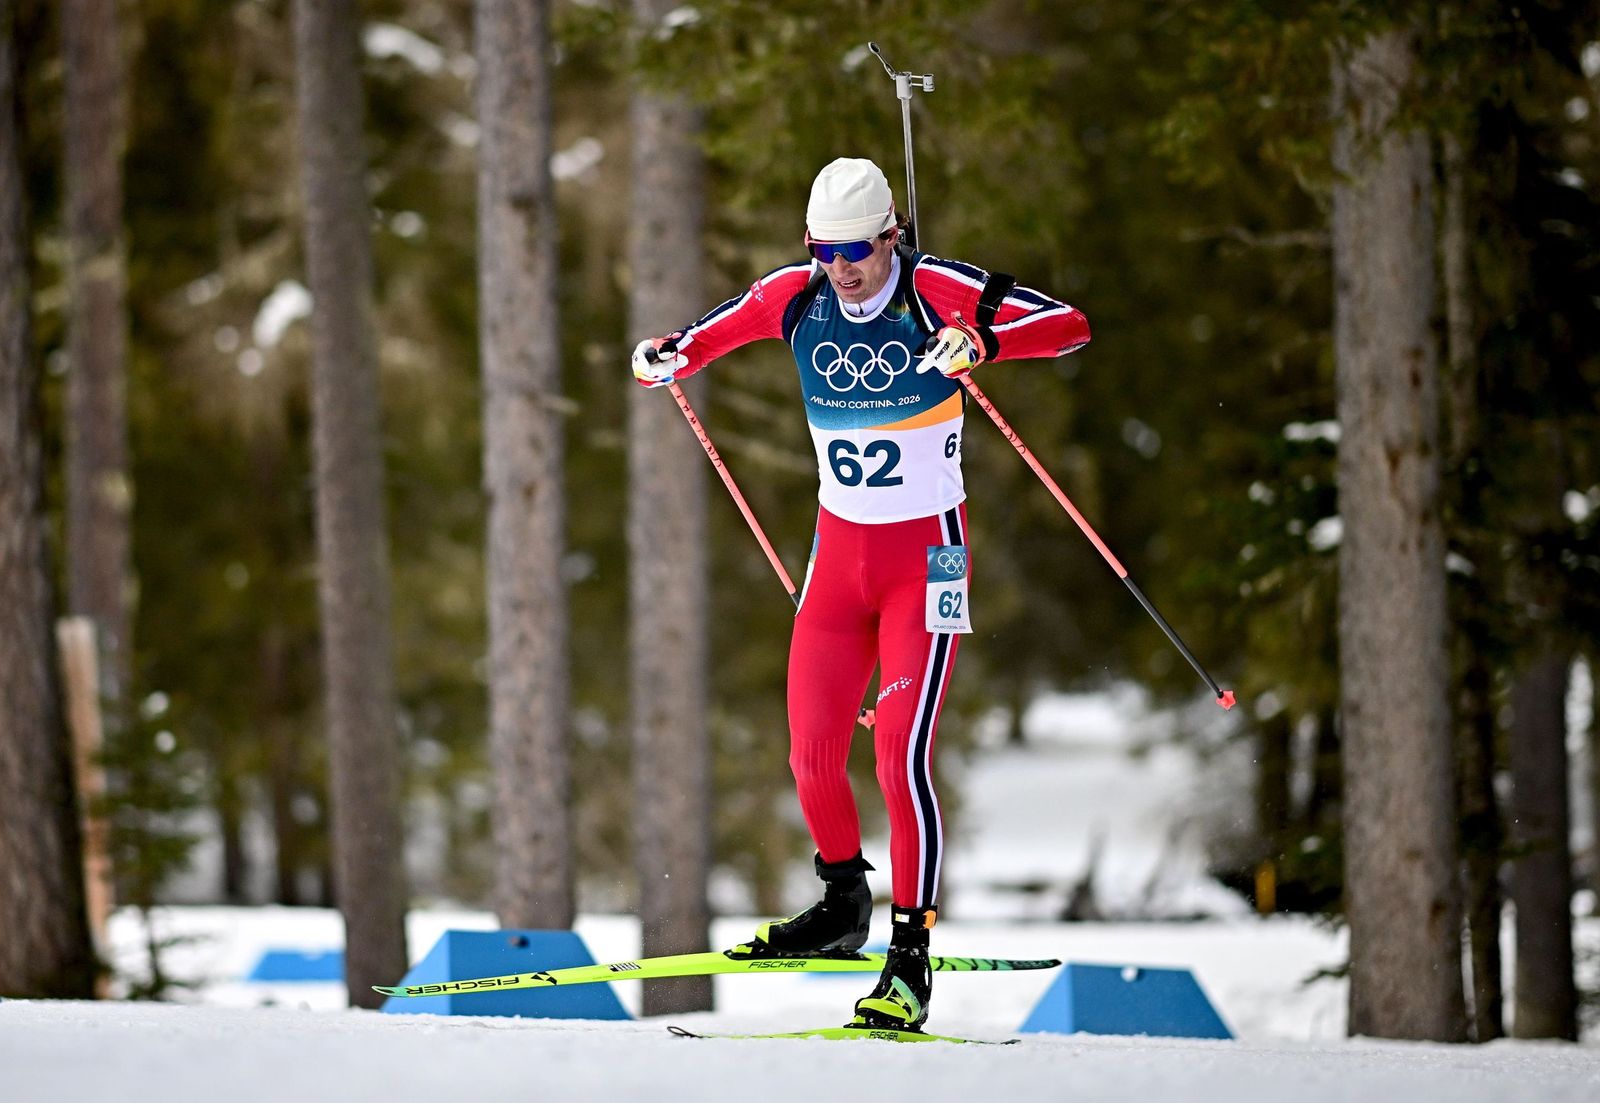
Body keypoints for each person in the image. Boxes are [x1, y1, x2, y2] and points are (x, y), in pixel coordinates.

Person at [630, 157, 1090, 1030]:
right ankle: (843, 907)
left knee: (897, 759)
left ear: (892, 236)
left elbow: (1070, 326)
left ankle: (909, 958)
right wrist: (663, 358)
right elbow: (703, 335)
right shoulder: (795, 296)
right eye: (824, 249)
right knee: (810, 755)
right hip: (838, 564)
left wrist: (984, 342)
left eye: (858, 249)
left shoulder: (937, 288)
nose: (842, 268)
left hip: (929, 564)